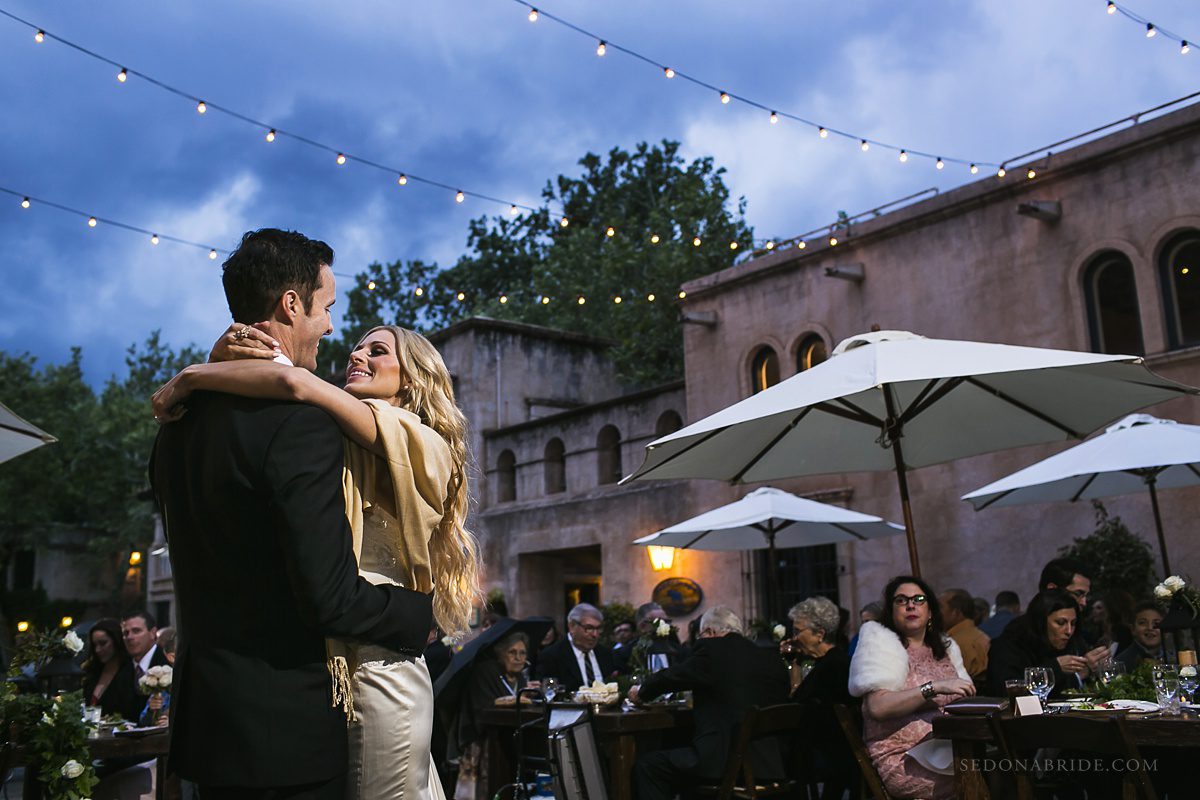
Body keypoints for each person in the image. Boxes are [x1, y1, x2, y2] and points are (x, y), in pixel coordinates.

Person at [150, 228, 450, 800]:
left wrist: (195, 373)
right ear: (293, 304)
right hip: (287, 729)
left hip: (209, 725)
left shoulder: (176, 423)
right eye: (328, 307)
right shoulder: (302, 424)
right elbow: (328, 596)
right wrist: (418, 616)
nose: (334, 328)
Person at [630, 606, 789, 800]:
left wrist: (642, 691)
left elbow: (674, 675)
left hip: (724, 762)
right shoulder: (770, 657)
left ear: (710, 632)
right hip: (769, 764)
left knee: (648, 766)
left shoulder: (713, 649)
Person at [848, 576, 974, 800]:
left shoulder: (945, 648)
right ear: (891, 611)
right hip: (904, 758)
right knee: (980, 775)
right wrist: (933, 687)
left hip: (951, 747)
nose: (910, 605)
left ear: (930, 611)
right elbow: (877, 708)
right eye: (901, 600)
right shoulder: (881, 646)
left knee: (1006, 766)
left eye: (918, 599)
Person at [785, 597, 855, 800]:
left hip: (827, 758)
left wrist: (793, 665)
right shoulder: (839, 660)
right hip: (842, 756)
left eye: (798, 631)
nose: (794, 637)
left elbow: (795, 705)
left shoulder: (829, 667)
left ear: (819, 634)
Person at [454, 632, 535, 800]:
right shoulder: (485, 671)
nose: (518, 658)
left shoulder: (521, 678)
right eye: (512, 652)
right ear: (501, 654)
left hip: (513, 737)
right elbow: (481, 707)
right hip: (483, 739)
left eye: (523, 653)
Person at [987, 589, 1091, 698]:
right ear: (1041, 621)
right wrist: (1054, 669)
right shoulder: (1008, 646)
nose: (1069, 631)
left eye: (1073, 623)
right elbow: (1007, 692)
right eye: (1061, 623)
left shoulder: (1068, 644)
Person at [535, 603, 615, 691]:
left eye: (598, 628)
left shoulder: (605, 654)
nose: (595, 634)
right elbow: (548, 693)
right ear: (572, 626)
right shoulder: (551, 656)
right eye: (589, 628)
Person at [82, 618, 142, 721]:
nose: (98, 650)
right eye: (94, 645)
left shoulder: (131, 670)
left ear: (116, 640)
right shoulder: (93, 672)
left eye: (103, 643)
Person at [938, 588, 990, 684]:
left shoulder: (960, 643)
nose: (934, 612)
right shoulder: (977, 636)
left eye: (939, 607)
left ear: (956, 612)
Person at [1114, 601, 1165, 672]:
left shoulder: (1174, 657)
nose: (1150, 628)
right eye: (1142, 623)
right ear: (1133, 629)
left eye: (1156, 623)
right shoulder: (1121, 663)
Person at [121, 611, 169, 677]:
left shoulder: (169, 666)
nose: (129, 637)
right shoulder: (120, 668)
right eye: (126, 633)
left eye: (136, 631)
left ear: (152, 633)